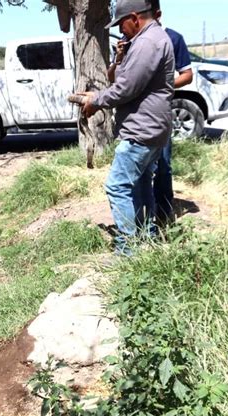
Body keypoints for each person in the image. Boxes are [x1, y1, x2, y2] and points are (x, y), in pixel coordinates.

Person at [77, 0, 175, 255]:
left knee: (117, 186)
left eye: (121, 24)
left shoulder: (146, 42)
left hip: (142, 132)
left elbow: (125, 88)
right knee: (142, 184)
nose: (121, 30)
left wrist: (96, 101)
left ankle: (128, 250)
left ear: (134, 17)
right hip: (152, 129)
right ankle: (147, 239)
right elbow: (124, 80)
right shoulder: (152, 39)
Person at [151, 0, 193, 224]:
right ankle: (144, 212)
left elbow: (187, 74)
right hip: (136, 116)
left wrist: (165, 85)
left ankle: (164, 211)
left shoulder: (173, 38)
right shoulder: (129, 38)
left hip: (162, 111)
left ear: (157, 13)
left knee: (163, 165)